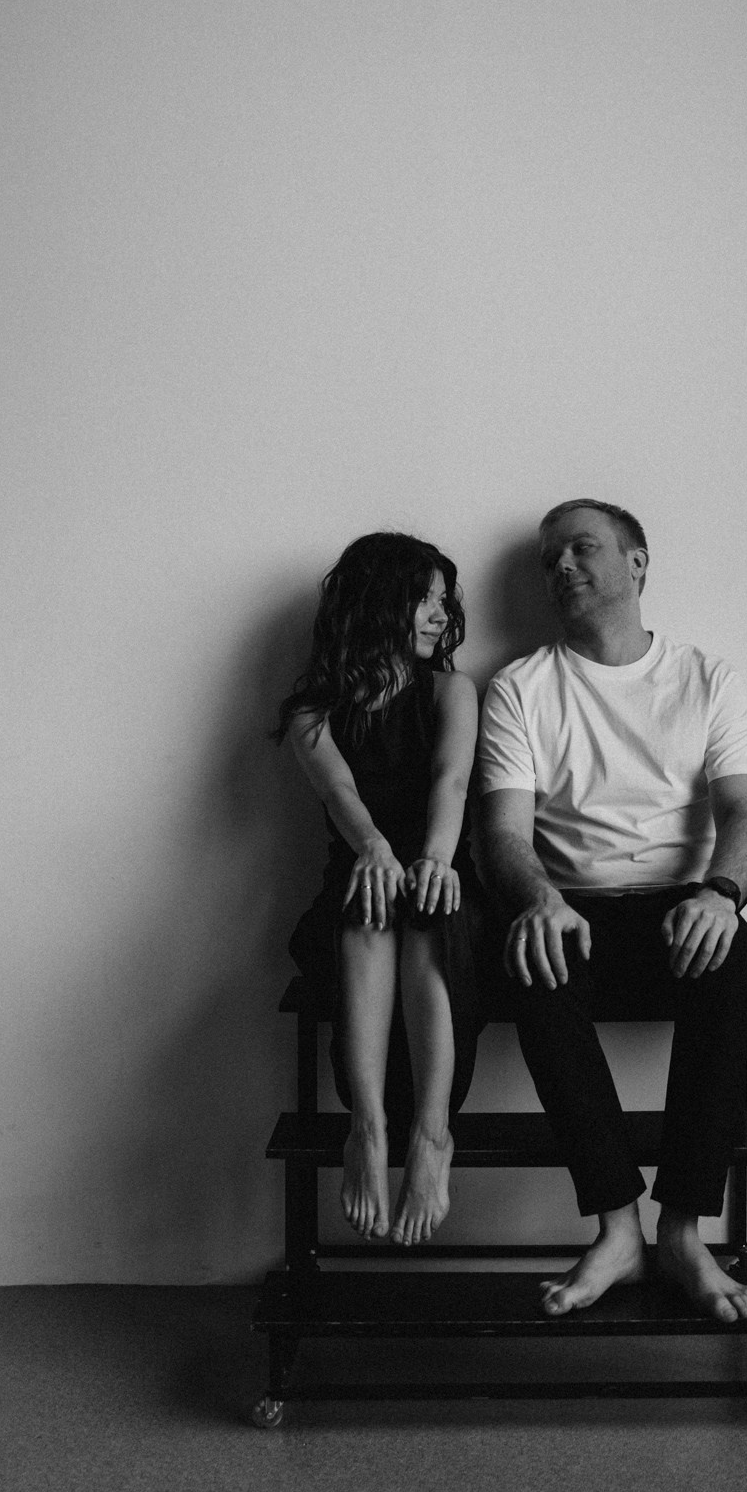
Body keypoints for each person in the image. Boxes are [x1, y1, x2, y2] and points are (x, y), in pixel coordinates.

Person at [477, 500, 747, 1321]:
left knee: (731, 964)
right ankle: (617, 1229)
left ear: (637, 562)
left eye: (582, 547)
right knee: (532, 964)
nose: (562, 567)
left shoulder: (708, 678)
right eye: (550, 559)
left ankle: (681, 1232)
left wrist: (721, 894)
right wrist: (538, 901)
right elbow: (502, 833)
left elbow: (744, 810)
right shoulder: (521, 687)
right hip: (569, 906)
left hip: (683, 904)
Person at [274, 532, 482, 1248]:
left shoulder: (452, 691)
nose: (440, 614)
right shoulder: (313, 713)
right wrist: (374, 849)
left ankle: (431, 1134)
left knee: (426, 907)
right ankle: (366, 1129)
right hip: (355, 888)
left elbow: (451, 782)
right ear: (377, 603)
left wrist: (434, 860)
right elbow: (340, 793)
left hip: (443, 879)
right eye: (424, 599)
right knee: (371, 905)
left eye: (443, 600)